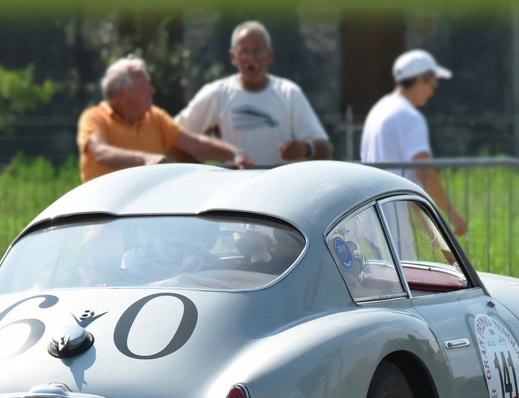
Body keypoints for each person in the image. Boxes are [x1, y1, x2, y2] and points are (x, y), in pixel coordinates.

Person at [176, 20, 331, 167]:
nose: (250, 59)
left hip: (279, 183)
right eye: (243, 51)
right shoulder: (217, 93)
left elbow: (324, 147)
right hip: (235, 183)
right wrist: (200, 172)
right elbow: (174, 136)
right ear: (233, 57)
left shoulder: (289, 93)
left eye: (257, 51)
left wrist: (305, 148)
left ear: (270, 55)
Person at [77, 56, 251, 182]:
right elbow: (100, 152)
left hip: (144, 213)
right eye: (145, 86)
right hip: (103, 213)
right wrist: (145, 160)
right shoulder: (94, 117)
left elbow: (195, 143)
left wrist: (235, 154)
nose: (152, 90)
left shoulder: (155, 117)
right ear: (124, 94)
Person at [360, 49, 468, 242]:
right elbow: (424, 173)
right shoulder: (410, 117)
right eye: (433, 82)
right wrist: (453, 216)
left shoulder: (378, 110)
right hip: (397, 221)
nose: (433, 91)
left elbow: (410, 177)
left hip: (371, 219)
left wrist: (437, 235)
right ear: (419, 79)